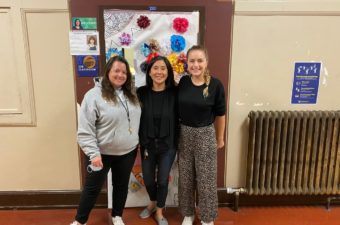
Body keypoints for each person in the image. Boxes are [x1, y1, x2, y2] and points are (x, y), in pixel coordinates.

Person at [70, 55, 141, 225]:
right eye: (116, 71)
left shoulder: (132, 94)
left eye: (124, 72)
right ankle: (80, 221)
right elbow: (85, 130)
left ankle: (117, 216)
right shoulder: (93, 95)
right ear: (108, 72)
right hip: (100, 153)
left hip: (127, 152)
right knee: (92, 189)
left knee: (121, 186)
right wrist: (93, 154)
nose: (120, 75)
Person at [177, 45, 226, 225]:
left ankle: (207, 217)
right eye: (192, 61)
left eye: (200, 60)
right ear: (187, 63)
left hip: (205, 134)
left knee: (206, 178)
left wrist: (220, 138)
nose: (196, 64)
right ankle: (188, 214)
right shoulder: (183, 83)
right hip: (184, 134)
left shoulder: (215, 85)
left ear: (206, 62)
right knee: (186, 177)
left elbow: (221, 114)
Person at [137, 56, 178, 225]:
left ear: (168, 72)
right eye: (155, 68)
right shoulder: (141, 92)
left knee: (162, 180)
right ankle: (152, 202)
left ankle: (159, 211)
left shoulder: (175, 93)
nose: (159, 72)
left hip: (167, 145)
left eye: (163, 68)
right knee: (147, 179)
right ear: (149, 71)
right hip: (147, 145)